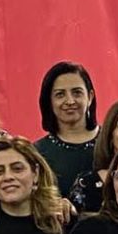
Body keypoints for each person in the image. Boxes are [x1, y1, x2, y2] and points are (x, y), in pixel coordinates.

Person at [34, 61, 100, 196]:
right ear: (49, 101)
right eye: (60, 94)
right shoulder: (37, 153)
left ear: (90, 97)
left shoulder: (111, 142)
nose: (70, 101)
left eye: (77, 93)